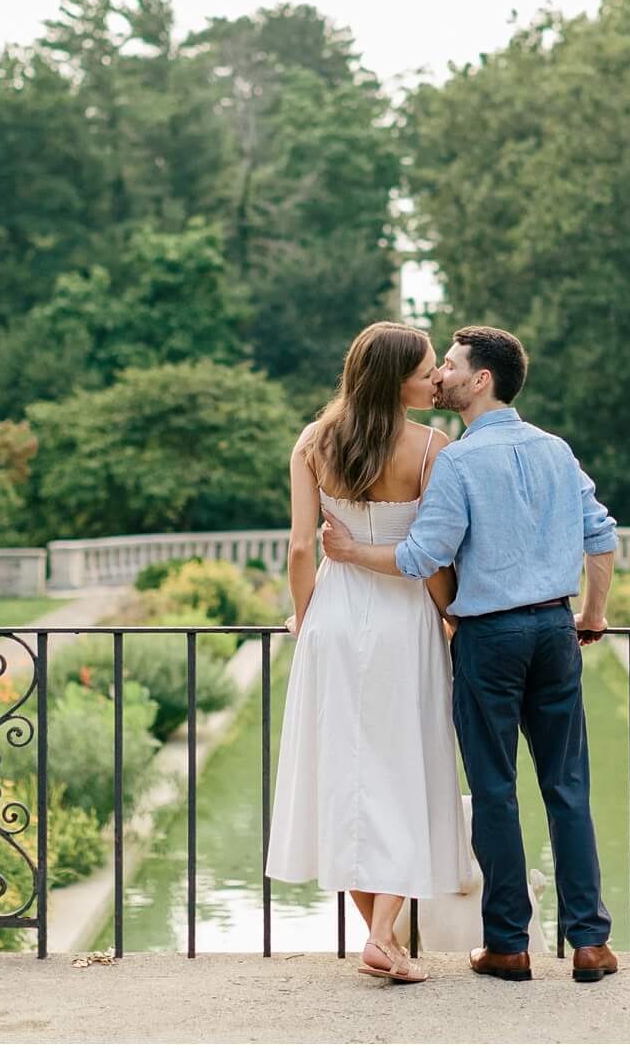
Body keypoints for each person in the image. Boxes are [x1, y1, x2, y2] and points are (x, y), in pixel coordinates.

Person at [322, 325, 621, 984]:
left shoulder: (457, 460)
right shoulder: (555, 450)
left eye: (450, 366)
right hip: (553, 630)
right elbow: (602, 536)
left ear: (480, 379)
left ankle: (509, 946)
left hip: (489, 637)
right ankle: (591, 943)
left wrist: (349, 554)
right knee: (568, 786)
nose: (441, 376)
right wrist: (592, 617)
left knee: (495, 791)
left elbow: (419, 556)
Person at [264, 322, 472, 985]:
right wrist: (451, 617)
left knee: (341, 770)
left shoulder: (313, 441)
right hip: (404, 620)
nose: (436, 379)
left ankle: (380, 937)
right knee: (403, 767)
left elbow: (302, 548)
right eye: (426, 371)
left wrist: (303, 615)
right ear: (395, 380)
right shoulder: (434, 446)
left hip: (334, 614)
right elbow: (433, 557)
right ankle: (384, 936)